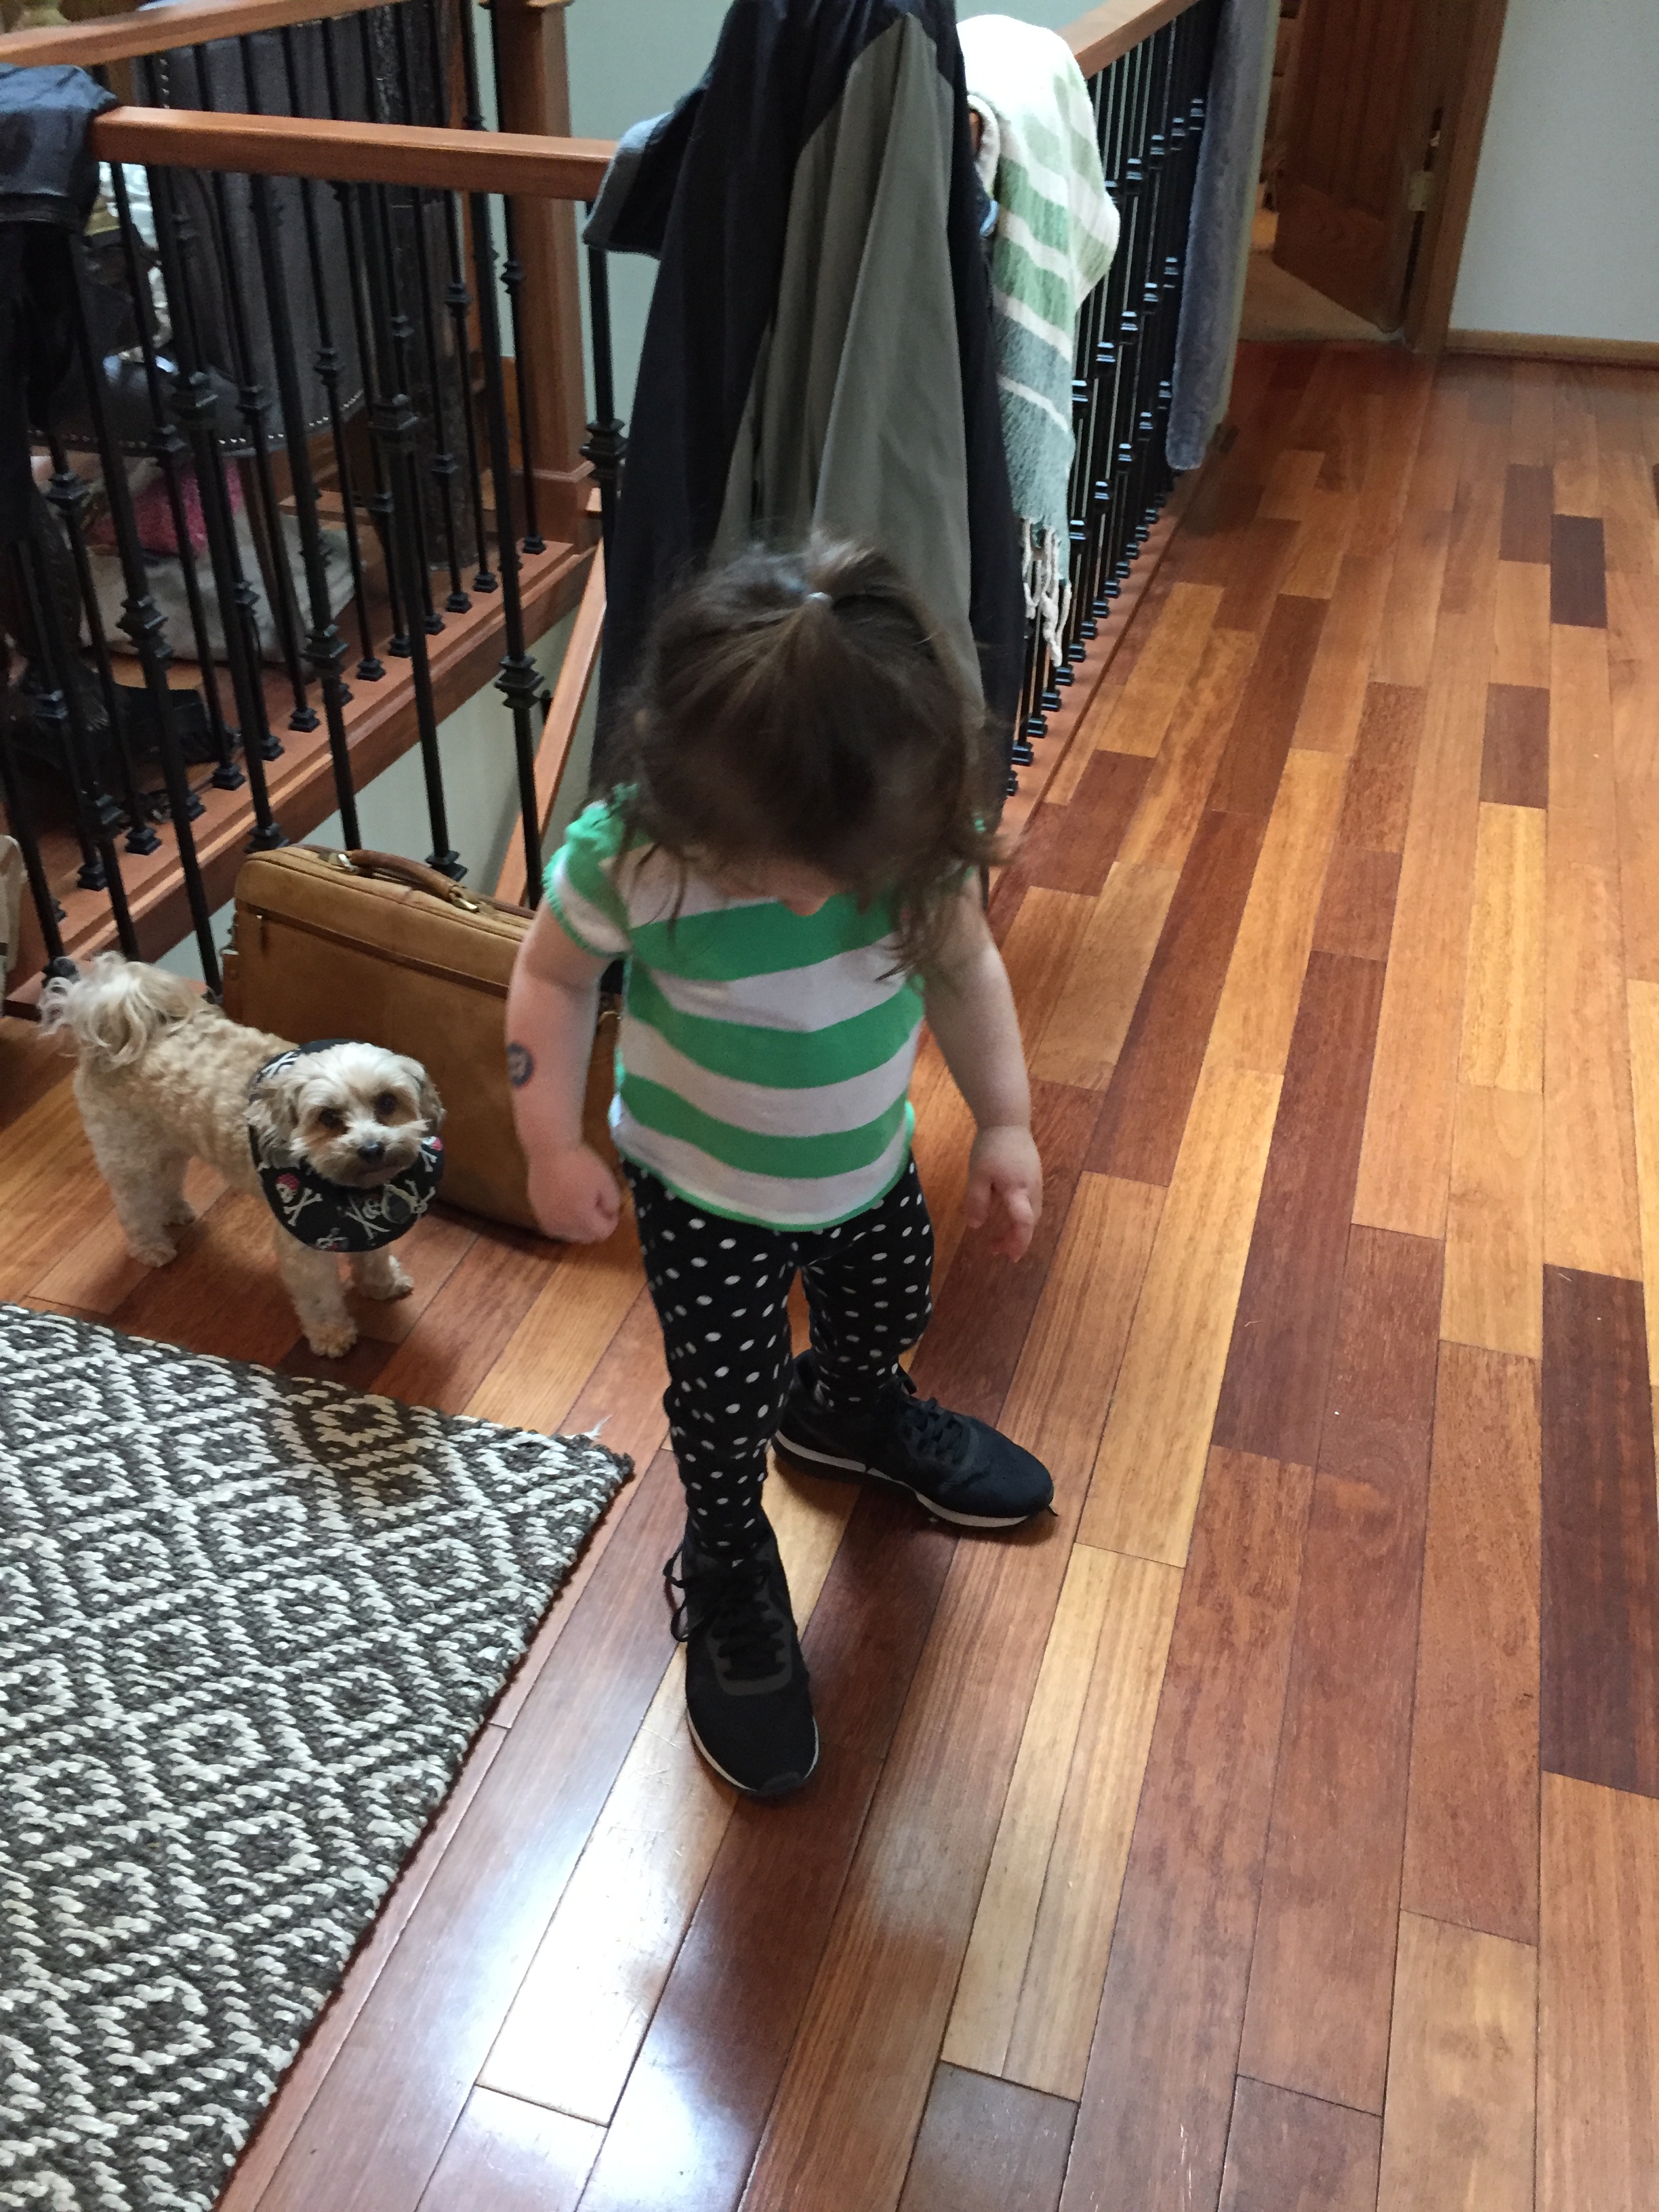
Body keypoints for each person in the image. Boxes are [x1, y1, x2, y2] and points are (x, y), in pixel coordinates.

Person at [505, 538, 1052, 1799]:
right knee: (721, 1395)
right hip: (701, 1197)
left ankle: (851, 1411)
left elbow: (966, 969)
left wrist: (1007, 1123)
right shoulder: (632, 855)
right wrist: (549, 1139)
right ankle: (727, 1548)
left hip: (868, 1166)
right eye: (771, 872)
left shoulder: (911, 837)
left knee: (891, 1308)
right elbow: (551, 977)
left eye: (843, 878)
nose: (812, 904)